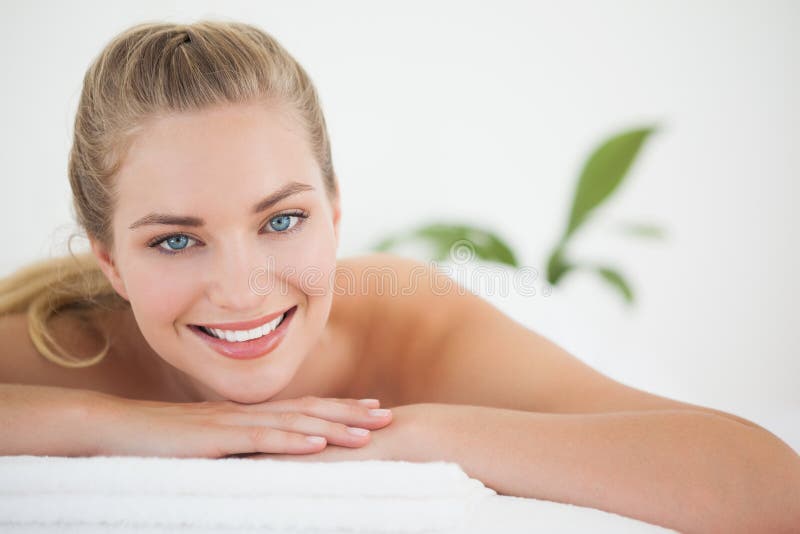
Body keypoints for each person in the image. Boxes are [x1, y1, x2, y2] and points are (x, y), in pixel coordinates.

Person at [0, 20, 797, 532]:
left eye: (282, 221)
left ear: (336, 215)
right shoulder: (67, 349)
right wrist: (123, 424)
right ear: (109, 261)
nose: (241, 289)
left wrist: (411, 433)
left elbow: (767, 483)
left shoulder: (413, 324)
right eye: (176, 242)